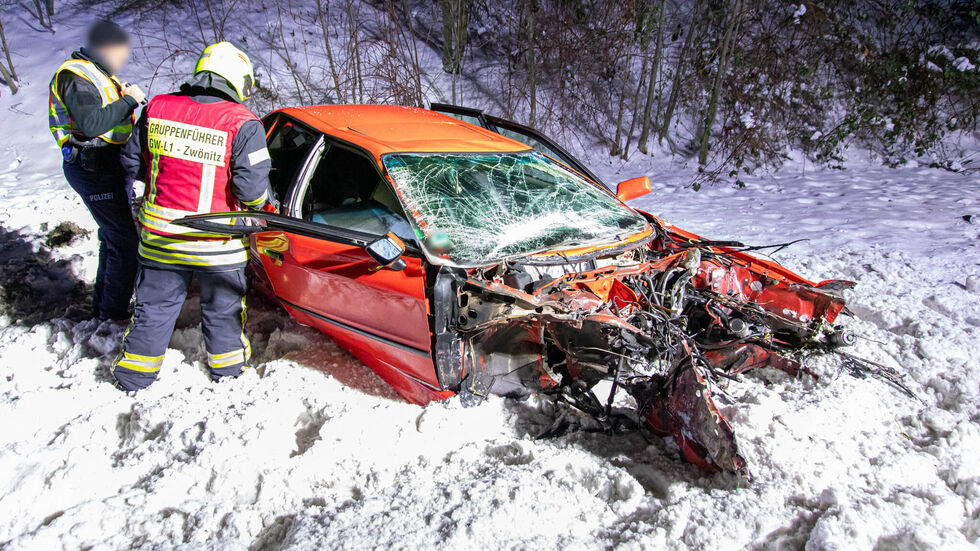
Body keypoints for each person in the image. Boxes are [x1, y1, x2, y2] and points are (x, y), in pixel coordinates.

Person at [113, 42, 276, 391]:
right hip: (217, 244)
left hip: (161, 236)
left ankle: (133, 378)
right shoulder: (243, 123)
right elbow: (251, 193)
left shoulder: (157, 108)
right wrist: (266, 204)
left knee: (153, 309)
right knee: (223, 312)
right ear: (238, 79)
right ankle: (228, 375)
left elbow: (129, 162)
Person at [48, 20, 145, 321]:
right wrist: (129, 100)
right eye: (120, 52)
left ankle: (104, 307)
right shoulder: (76, 76)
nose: (123, 59)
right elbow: (91, 124)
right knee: (125, 243)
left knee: (113, 239)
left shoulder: (98, 75)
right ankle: (112, 313)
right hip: (93, 167)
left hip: (106, 165)